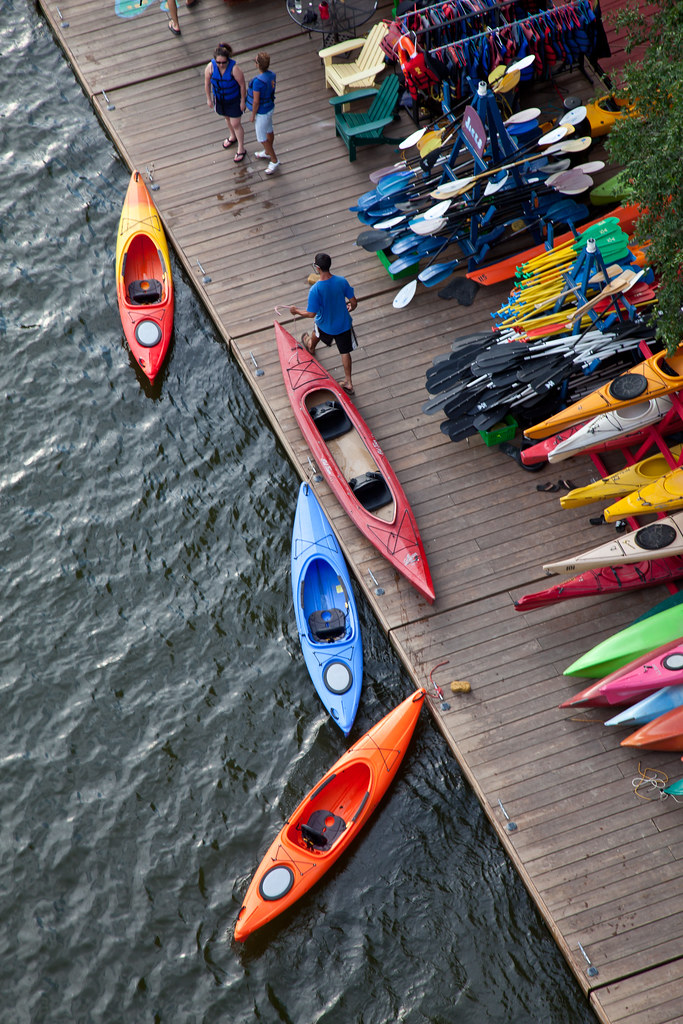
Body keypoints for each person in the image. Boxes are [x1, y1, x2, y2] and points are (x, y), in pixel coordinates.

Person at [290, 254, 358, 395]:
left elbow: (311, 314)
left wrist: (296, 311)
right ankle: (348, 382)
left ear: (317, 268)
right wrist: (351, 307)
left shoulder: (315, 290)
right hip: (343, 325)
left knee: (317, 332)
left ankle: (311, 346)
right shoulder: (341, 281)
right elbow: (354, 302)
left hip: (325, 325)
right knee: (344, 352)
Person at [204, 42, 247, 162]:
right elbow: (207, 84)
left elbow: (242, 86)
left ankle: (241, 148)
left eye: (224, 62)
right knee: (227, 119)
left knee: (236, 124)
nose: (221, 65)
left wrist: (243, 101)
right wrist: (209, 98)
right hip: (220, 99)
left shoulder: (235, 69)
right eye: (218, 62)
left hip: (233, 99)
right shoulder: (210, 68)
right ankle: (233, 137)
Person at [247, 52, 279, 176]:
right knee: (269, 130)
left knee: (261, 137)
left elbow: (256, 101)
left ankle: (274, 159)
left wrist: (252, 115)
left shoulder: (257, 82)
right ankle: (267, 152)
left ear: (257, 65)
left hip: (262, 112)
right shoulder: (272, 75)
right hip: (270, 107)